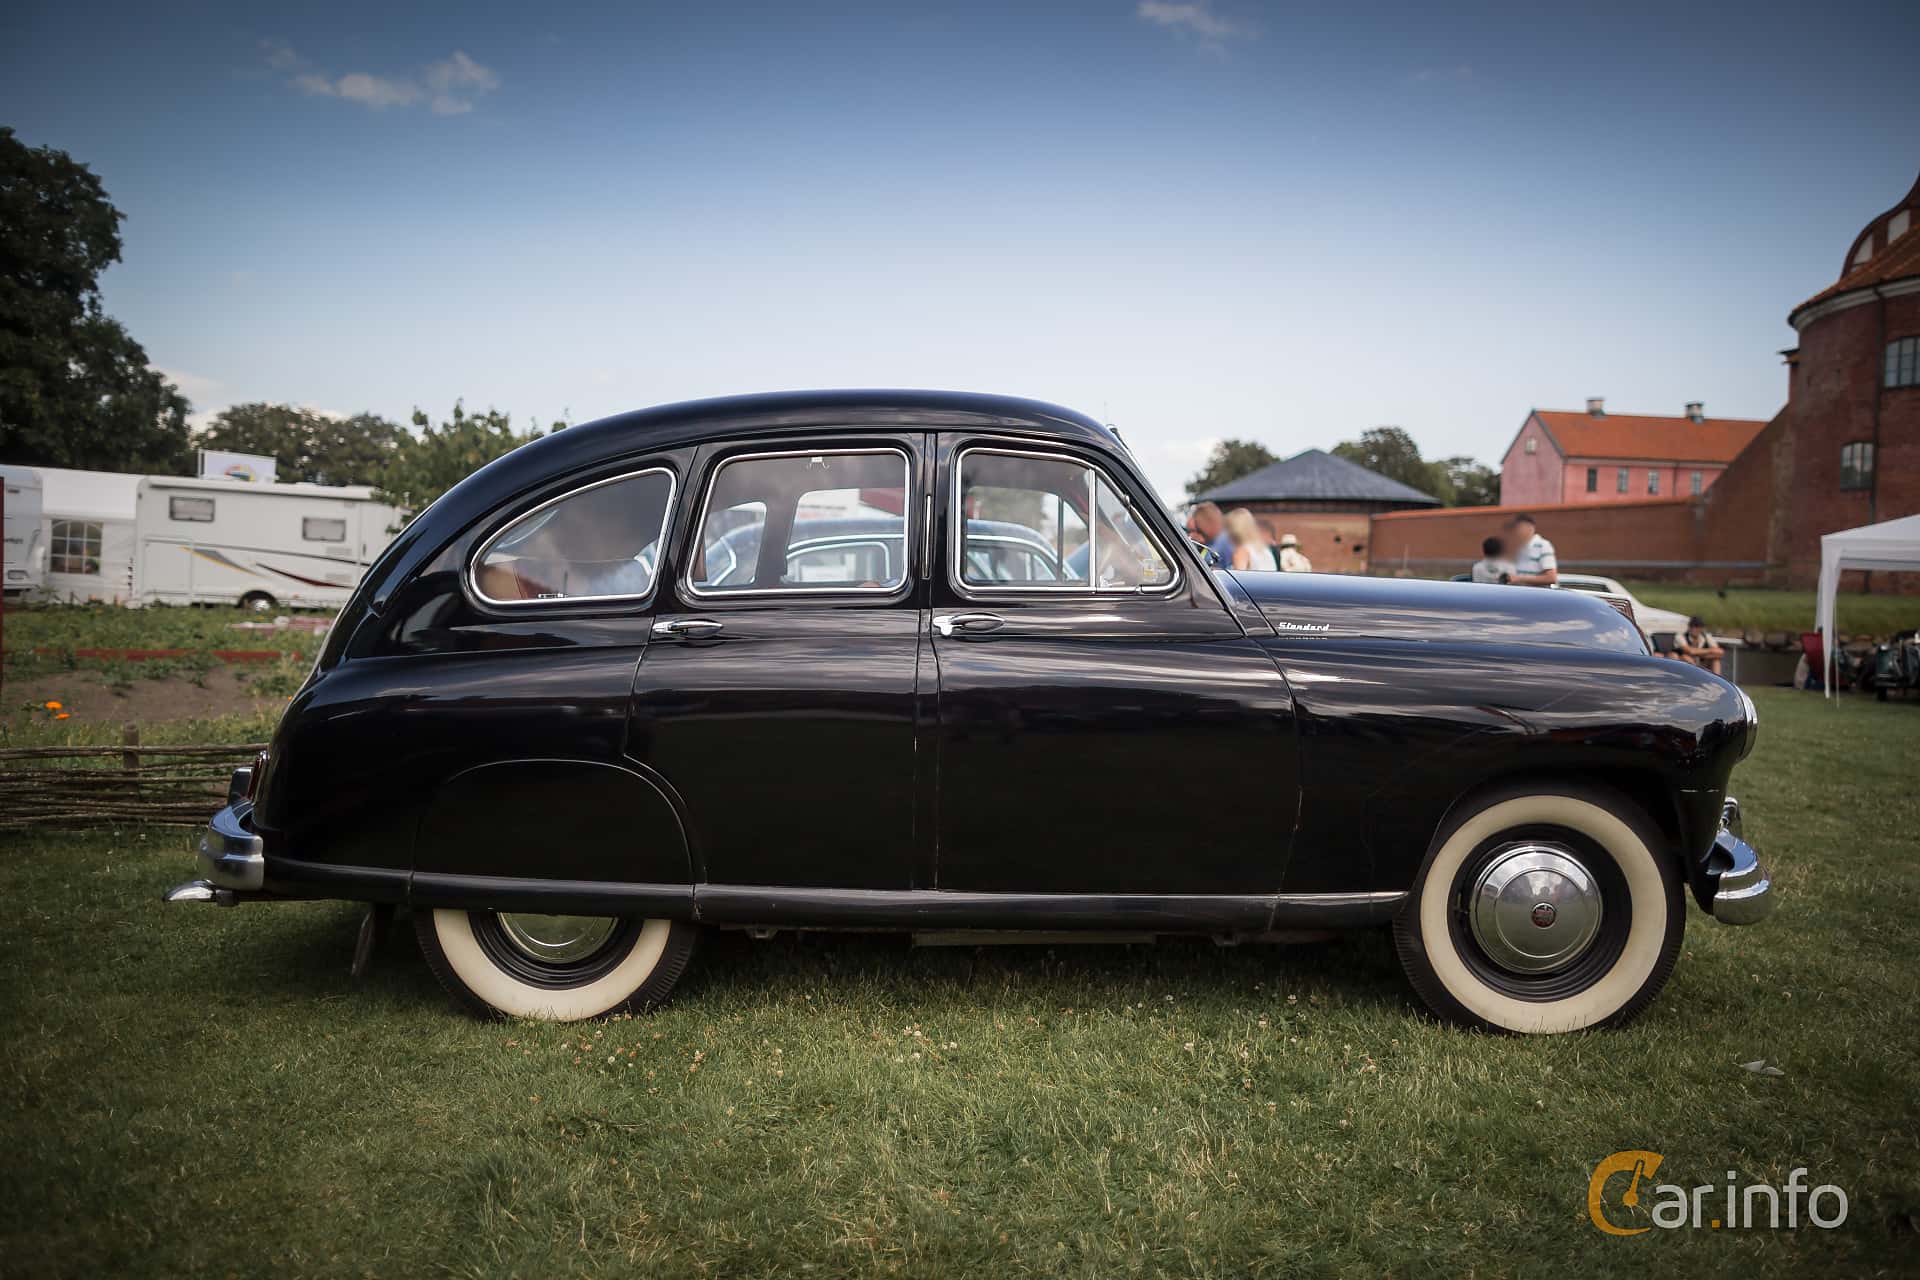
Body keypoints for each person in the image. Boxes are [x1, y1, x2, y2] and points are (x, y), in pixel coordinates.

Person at [1505, 514, 1558, 586]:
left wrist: (1519, 579)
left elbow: (1551, 578)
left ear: (1530, 527)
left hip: (1536, 595)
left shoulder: (1543, 545)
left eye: (1519, 528)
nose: (1516, 531)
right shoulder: (1519, 547)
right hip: (1520, 594)